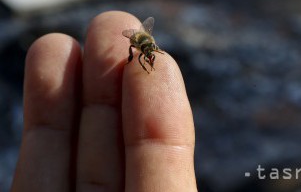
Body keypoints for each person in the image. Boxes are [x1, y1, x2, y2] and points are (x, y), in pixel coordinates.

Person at [10, 11, 197, 192]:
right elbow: (138, 43)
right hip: (136, 41)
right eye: (148, 52)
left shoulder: (149, 44)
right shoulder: (138, 43)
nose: (149, 54)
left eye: (151, 51)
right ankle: (135, 61)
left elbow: (150, 46)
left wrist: (154, 51)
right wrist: (141, 61)